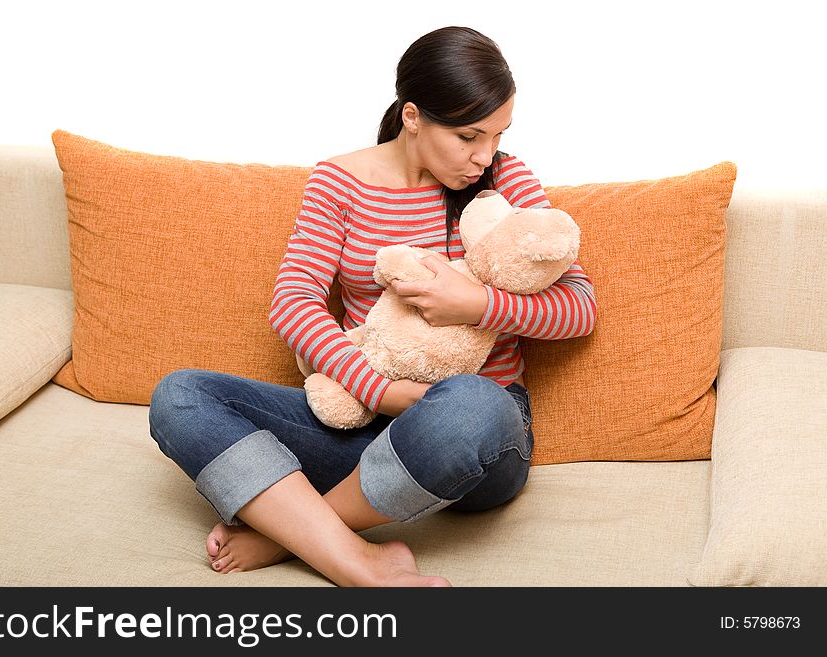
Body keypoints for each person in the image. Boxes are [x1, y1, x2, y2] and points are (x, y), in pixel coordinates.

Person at [148, 25, 596, 587]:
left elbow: (580, 308)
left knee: (471, 404)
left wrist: (475, 304)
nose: (485, 157)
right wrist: (383, 393)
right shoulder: (339, 181)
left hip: (472, 436)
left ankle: (289, 533)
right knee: (180, 396)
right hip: (360, 423)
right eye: (468, 137)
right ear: (412, 116)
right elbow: (293, 300)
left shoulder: (508, 180)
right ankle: (358, 560)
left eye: (498, 135)